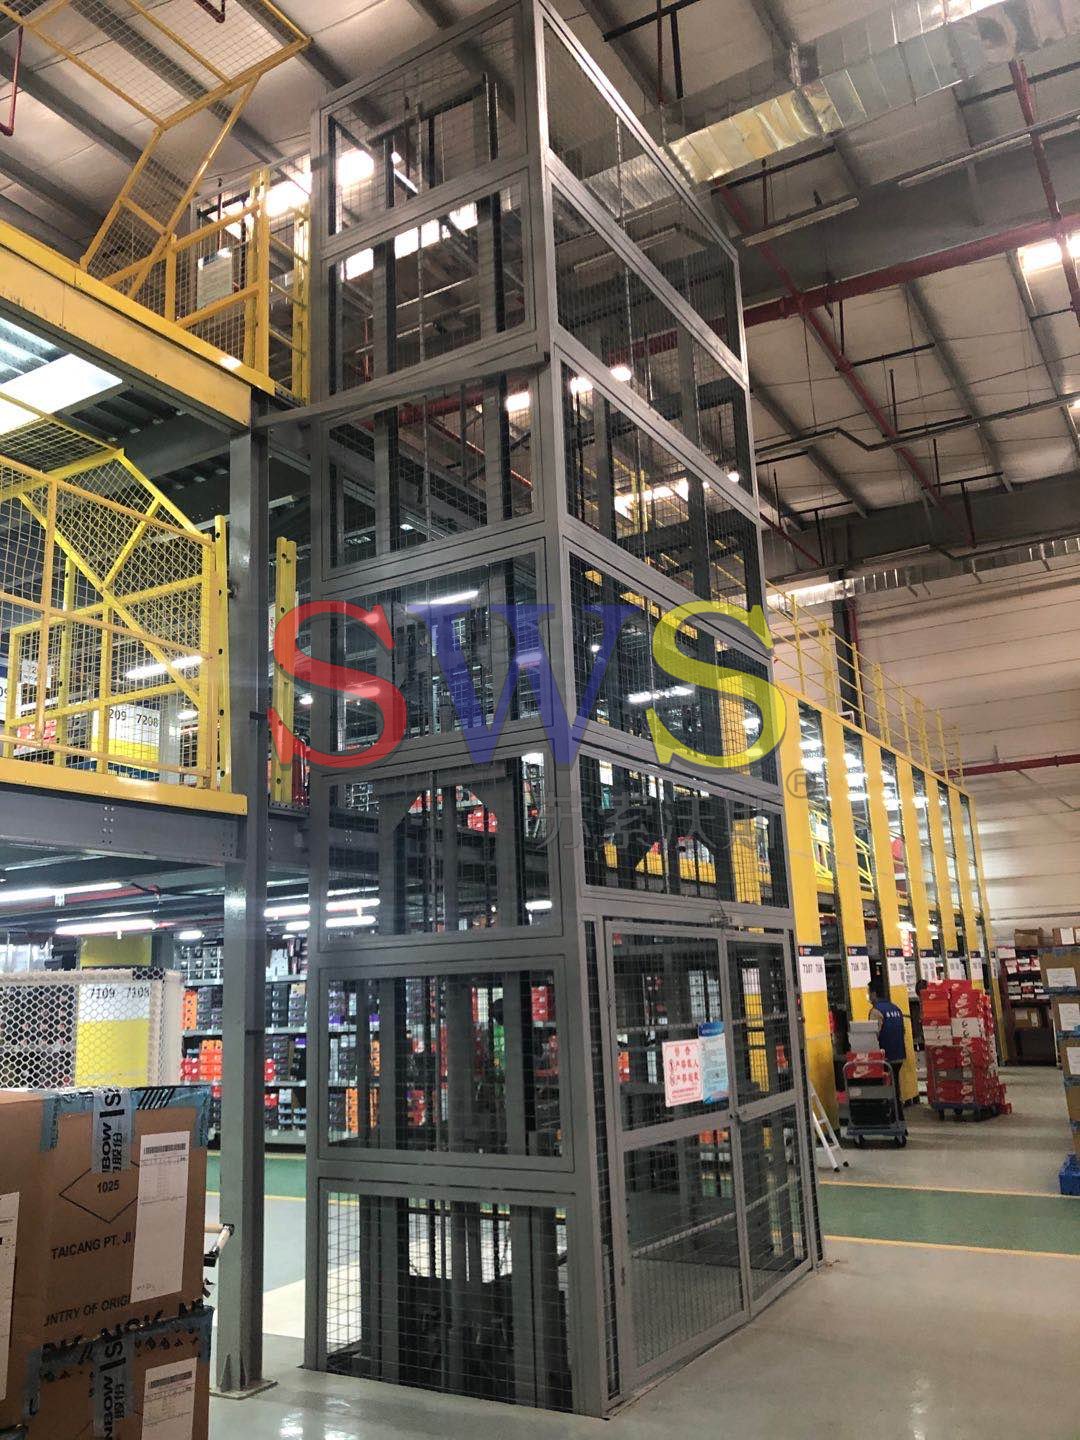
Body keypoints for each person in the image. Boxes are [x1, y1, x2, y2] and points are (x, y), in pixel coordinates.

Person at [868, 980, 907, 1114]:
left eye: (869, 993)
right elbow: (903, 1031)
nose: (869, 996)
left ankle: (888, 1114)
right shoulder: (896, 1008)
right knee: (895, 1084)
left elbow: (873, 1035)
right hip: (899, 1054)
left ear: (874, 994)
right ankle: (898, 1113)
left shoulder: (876, 1011)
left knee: (884, 1086)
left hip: (885, 1057)